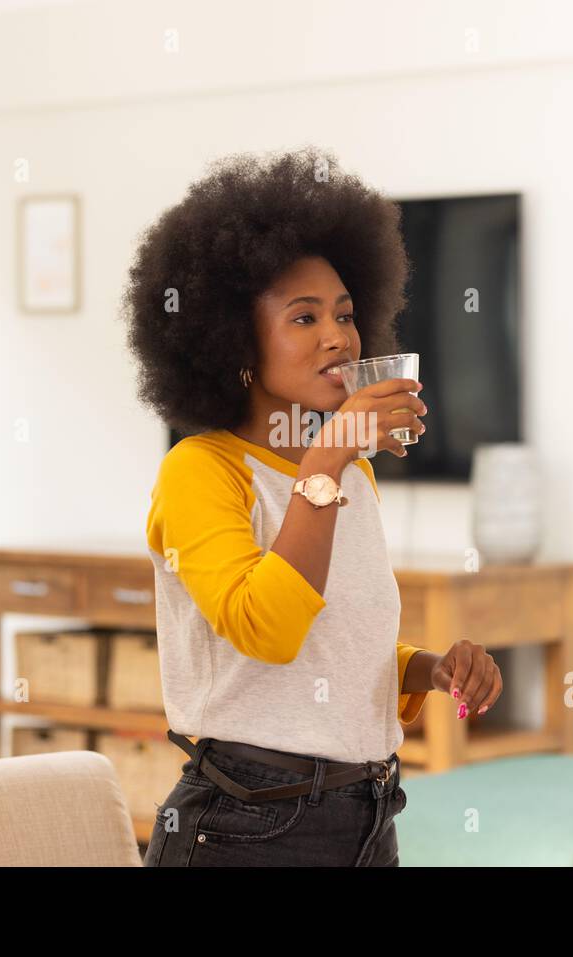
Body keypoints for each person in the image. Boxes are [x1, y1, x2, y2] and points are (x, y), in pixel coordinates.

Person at [124, 146, 502, 866]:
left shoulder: (350, 476)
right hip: (245, 826)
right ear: (235, 343)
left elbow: (331, 657)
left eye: (346, 312)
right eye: (303, 318)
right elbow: (268, 631)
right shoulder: (201, 471)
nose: (338, 335)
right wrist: (329, 455)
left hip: (367, 817)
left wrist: (431, 667)